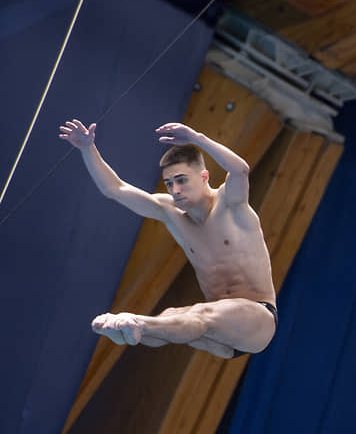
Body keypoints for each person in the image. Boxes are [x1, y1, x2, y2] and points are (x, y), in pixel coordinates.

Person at [59, 120, 278, 358]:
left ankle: (135, 323)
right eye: (169, 183)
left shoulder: (231, 203)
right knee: (170, 317)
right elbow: (115, 189)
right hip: (220, 334)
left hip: (257, 318)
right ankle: (125, 332)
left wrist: (197, 137)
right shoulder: (169, 211)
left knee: (198, 315)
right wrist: (87, 149)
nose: (175, 190)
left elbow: (240, 170)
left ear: (204, 176)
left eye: (182, 180)